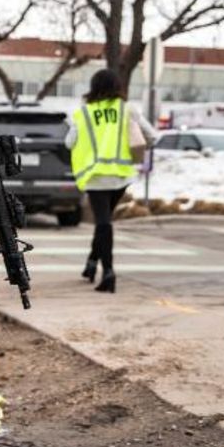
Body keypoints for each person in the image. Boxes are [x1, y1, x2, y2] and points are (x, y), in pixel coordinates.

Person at [66, 69, 156, 293]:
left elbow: (69, 143)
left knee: (103, 223)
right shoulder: (127, 110)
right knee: (104, 223)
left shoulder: (84, 114)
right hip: (121, 176)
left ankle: (108, 272)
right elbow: (152, 137)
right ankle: (92, 263)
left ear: (93, 86)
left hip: (96, 177)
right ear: (118, 86)